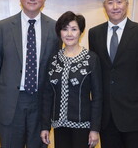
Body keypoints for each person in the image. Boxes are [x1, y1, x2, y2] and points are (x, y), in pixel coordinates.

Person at [0, 0, 61, 148]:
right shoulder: (4, 26)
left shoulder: (55, 28)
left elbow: (55, 66)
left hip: (40, 101)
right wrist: (11, 83)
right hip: (11, 102)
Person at [88, 0, 138, 148]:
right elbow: (96, 73)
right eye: (110, 3)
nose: (115, 7)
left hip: (133, 112)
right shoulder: (95, 33)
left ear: (126, 4)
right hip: (106, 115)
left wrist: (136, 97)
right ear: (104, 7)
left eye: (119, 2)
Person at [41, 11, 103, 148]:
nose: (69, 34)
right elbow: (47, 95)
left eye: (74, 29)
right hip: (59, 125)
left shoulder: (91, 59)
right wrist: (45, 126)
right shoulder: (54, 59)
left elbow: (98, 96)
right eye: (65, 29)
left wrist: (95, 129)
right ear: (59, 32)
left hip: (83, 125)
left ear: (80, 32)